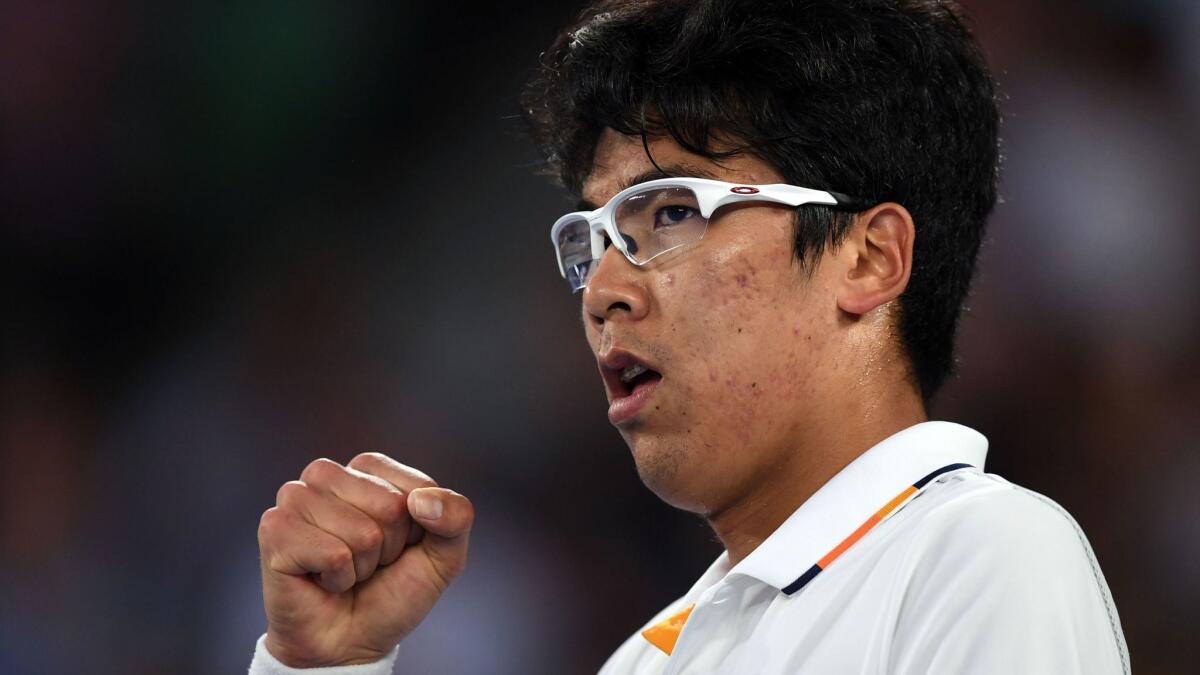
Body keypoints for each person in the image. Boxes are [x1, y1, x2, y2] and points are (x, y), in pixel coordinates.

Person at [247, 0, 1130, 673]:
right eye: (590, 238)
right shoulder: (649, 660)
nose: (603, 289)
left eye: (671, 210)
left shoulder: (984, 553)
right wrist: (325, 668)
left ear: (868, 258)